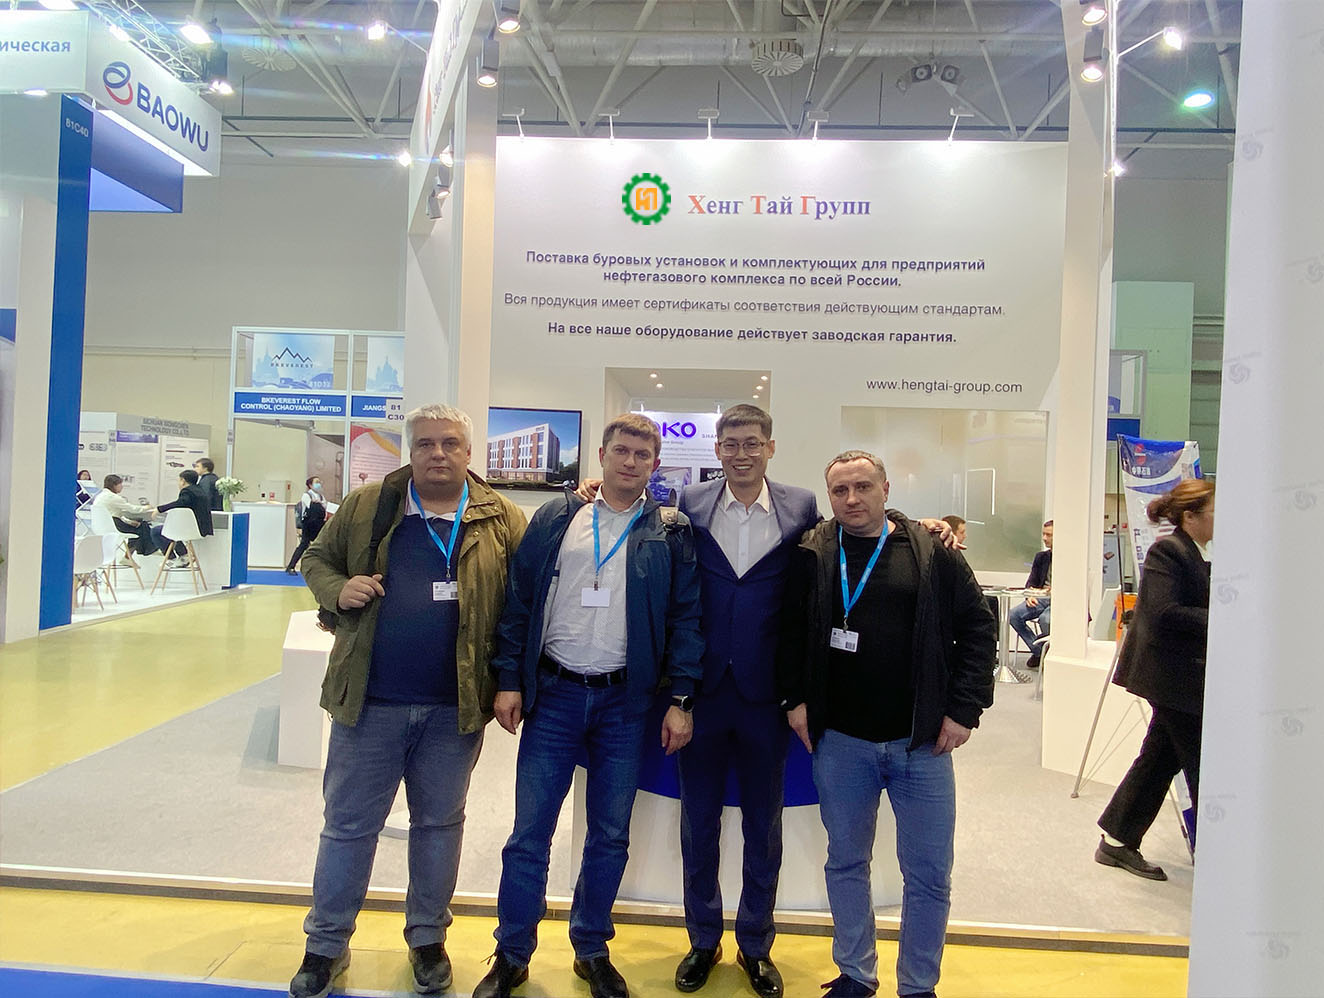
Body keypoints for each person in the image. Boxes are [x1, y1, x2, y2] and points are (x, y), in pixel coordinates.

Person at [291, 403, 527, 998]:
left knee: (439, 827)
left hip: (455, 710)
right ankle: (325, 946)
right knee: (348, 827)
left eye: (450, 443)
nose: (437, 453)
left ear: (469, 452)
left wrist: (510, 679)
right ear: (411, 450)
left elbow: (522, 603)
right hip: (369, 702)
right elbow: (315, 558)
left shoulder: (501, 517)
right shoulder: (369, 505)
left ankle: (427, 940)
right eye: (425, 443)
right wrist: (337, 588)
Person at [474, 413, 703, 998]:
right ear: (601, 455)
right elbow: (519, 599)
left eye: (642, 455)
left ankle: (591, 948)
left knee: (609, 835)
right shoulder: (559, 517)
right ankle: (512, 954)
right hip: (553, 696)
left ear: (656, 465)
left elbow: (685, 619)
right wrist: (509, 678)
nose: (631, 462)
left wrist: (681, 697)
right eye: (621, 451)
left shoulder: (670, 530)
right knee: (529, 835)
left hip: (626, 704)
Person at [778, 450, 995, 998]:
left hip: (921, 743)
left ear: (886, 489)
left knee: (929, 873)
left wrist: (964, 710)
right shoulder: (812, 551)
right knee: (846, 862)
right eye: (840, 490)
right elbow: (789, 634)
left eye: (863, 487)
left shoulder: (931, 550)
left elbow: (978, 629)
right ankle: (856, 973)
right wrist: (794, 701)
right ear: (829, 496)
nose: (852, 499)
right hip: (841, 742)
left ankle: (918, 985)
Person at [672, 404, 818, 998]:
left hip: (766, 695)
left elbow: (845, 535)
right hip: (703, 693)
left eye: (752, 443)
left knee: (764, 826)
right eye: (730, 444)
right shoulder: (690, 503)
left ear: (770, 447)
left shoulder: (801, 506)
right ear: (717, 449)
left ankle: (755, 944)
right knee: (698, 824)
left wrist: (920, 524)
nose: (741, 453)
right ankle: (703, 940)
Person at [1095, 479, 1214, 881]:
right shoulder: (1170, 550)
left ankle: (1116, 841)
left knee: (1159, 759)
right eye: (1215, 512)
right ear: (1190, 516)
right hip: (1172, 678)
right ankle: (1221, 852)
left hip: (1183, 678)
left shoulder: (1197, 552)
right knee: (1201, 763)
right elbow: (1164, 612)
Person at [1008, 520, 1053, 669]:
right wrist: (1030, 596)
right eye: (1043, 534)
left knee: (1045, 620)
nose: (1044, 538)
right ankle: (1040, 651)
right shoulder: (1041, 557)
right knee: (1013, 615)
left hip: (1060, 602)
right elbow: (1031, 582)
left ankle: (1051, 654)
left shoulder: (1071, 559)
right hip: (1041, 598)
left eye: (1049, 535)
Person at [152, 469, 214, 565]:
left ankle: (172, 558)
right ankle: (183, 555)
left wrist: (160, 509)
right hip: (203, 528)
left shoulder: (187, 491)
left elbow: (181, 502)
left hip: (190, 529)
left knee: (156, 531)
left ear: (183, 481)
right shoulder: (200, 491)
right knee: (175, 531)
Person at [93, 474, 157, 562]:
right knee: (141, 527)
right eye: (120, 484)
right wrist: (147, 507)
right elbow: (133, 509)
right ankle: (143, 551)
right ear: (114, 485)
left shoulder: (100, 496)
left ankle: (144, 551)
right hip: (114, 524)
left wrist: (128, 521)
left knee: (138, 526)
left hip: (104, 525)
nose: (122, 487)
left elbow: (114, 514)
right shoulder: (113, 497)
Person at [286, 476, 330, 575]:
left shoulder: (321, 496)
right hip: (309, 524)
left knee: (322, 545)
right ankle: (291, 566)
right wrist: (318, 503)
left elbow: (325, 506)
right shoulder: (306, 495)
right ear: (310, 485)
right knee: (304, 544)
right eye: (316, 482)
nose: (319, 484)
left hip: (319, 523)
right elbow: (310, 505)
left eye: (320, 482)